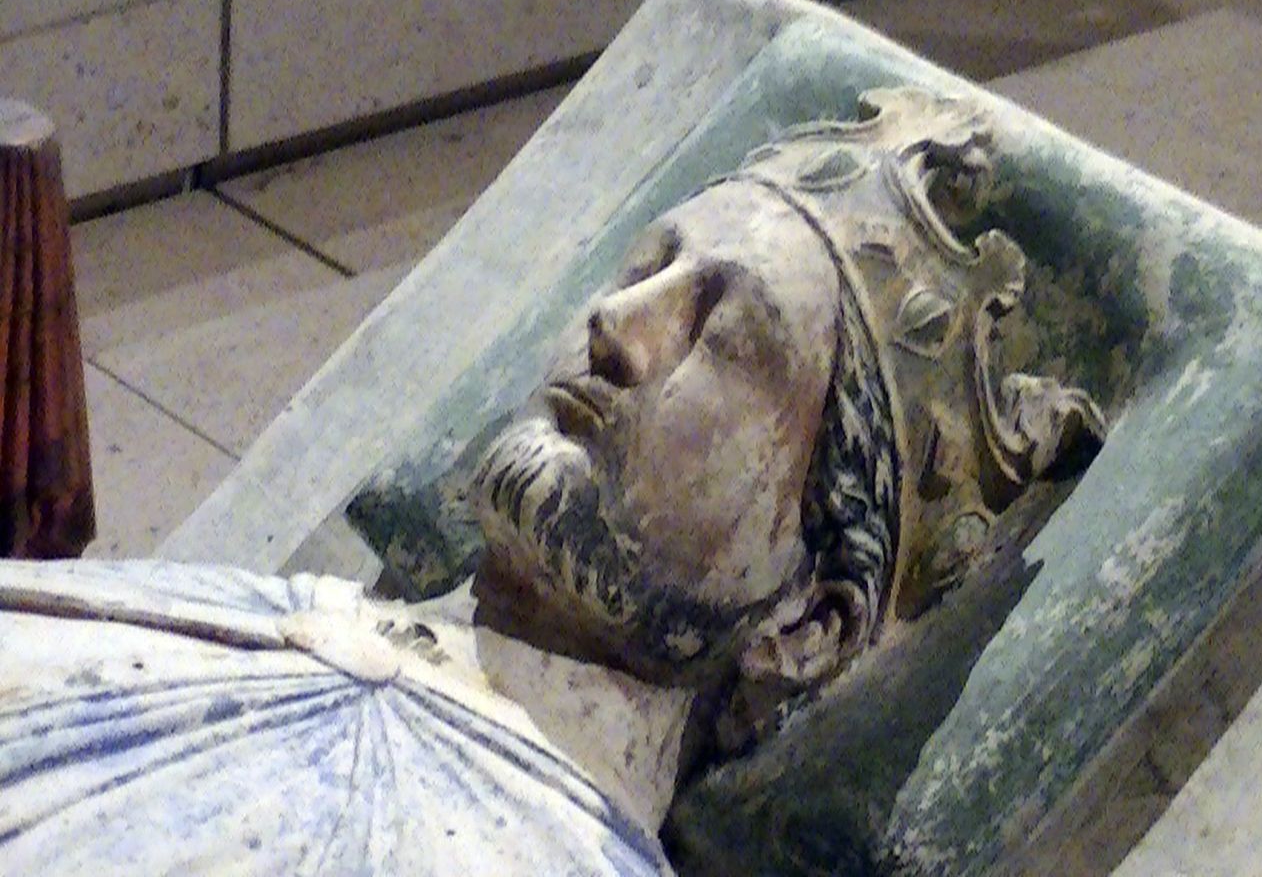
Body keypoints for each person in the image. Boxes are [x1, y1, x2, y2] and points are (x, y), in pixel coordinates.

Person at [0, 87, 1103, 875]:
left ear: (807, 623)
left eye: (720, 334)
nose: (615, 324)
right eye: (640, 271)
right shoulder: (230, 619)